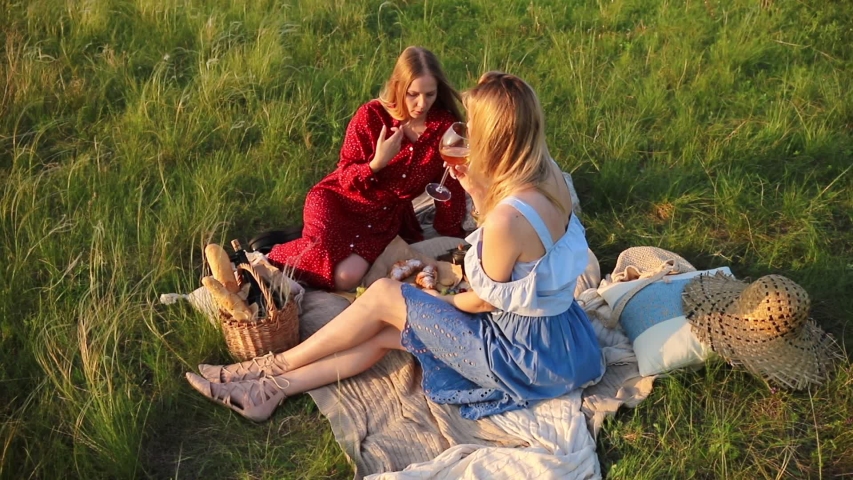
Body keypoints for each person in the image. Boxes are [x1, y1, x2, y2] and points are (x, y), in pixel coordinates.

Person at [186, 72, 605, 422]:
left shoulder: (506, 221)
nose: (467, 133)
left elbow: (482, 300)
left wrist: (432, 299)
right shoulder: (547, 173)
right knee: (386, 331)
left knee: (387, 294)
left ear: (495, 137)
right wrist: (477, 193)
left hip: (518, 356)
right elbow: (517, 264)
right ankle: (268, 390)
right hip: (561, 340)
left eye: (474, 126)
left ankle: (263, 367)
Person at [267, 46, 467, 291]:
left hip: (381, 218)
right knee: (322, 250)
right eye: (412, 94)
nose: (421, 103)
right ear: (398, 87)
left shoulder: (443, 127)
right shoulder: (371, 116)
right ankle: (268, 257)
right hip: (340, 200)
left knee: (346, 279)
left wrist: (452, 233)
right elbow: (345, 178)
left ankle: (301, 242)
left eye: (430, 94)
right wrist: (376, 163)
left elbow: (449, 183)